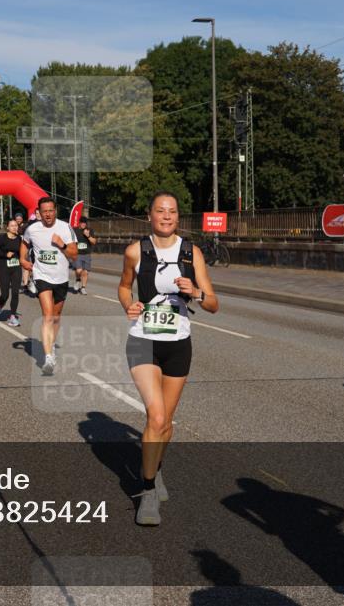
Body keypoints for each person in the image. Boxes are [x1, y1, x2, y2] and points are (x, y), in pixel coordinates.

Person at [118, 191, 218, 526]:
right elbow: (123, 287)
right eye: (160, 211)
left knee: (167, 423)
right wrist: (128, 304)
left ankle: (155, 469)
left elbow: (214, 303)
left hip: (178, 343)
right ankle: (147, 491)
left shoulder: (192, 252)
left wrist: (196, 292)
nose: (166, 216)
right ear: (149, 216)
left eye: (172, 212)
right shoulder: (136, 250)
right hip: (143, 341)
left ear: (178, 217)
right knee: (156, 416)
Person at [21, 197, 79, 375]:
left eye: (50, 210)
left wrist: (61, 244)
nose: (47, 214)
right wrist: (23, 260)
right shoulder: (32, 229)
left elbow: (74, 255)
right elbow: (24, 244)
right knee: (47, 315)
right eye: (44, 211)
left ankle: (51, 344)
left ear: (56, 211)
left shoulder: (64, 228)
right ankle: (47, 357)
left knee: (56, 316)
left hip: (61, 278)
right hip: (42, 276)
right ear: (39, 212)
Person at [0, 218, 23, 327]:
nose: (15, 227)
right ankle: (0, 305)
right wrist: (5, 254)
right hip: (4, 268)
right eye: (12, 225)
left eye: (16, 225)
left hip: (16, 268)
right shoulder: (2, 238)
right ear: (8, 228)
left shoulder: (20, 239)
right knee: (5, 294)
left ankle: (13, 316)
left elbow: (24, 252)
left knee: (15, 292)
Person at [72, 218, 98, 294]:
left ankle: (83, 288)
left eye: (85, 223)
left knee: (85, 272)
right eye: (82, 223)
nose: (83, 224)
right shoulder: (75, 230)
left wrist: (88, 236)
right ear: (79, 223)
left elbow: (94, 242)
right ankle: (77, 280)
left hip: (87, 254)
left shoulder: (89, 230)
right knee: (79, 270)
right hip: (78, 254)